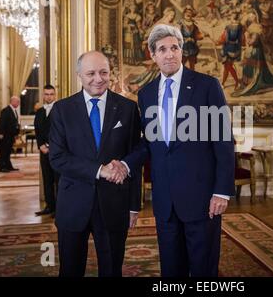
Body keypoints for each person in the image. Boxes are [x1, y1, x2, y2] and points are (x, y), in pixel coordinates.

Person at [125, 24, 235, 277]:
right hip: (165, 201)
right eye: (162, 49)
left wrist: (221, 192)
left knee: (202, 269)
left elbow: (223, 140)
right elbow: (149, 142)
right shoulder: (146, 94)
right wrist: (126, 163)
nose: (169, 54)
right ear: (153, 55)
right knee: (171, 269)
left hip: (202, 197)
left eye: (174, 47)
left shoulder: (207, 85)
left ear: (182, 51)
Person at [48, 51, 142, 277]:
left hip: (114, 204)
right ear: (79, 75)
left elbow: (137, 152)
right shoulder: (62, 109)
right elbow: (58, 158)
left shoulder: (128, 108)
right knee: (70, 270)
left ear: (111, 74)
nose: (98, 79)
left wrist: (133, 205)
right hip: (73, 204)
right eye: (91, 73)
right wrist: (100, 171)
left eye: (104, 72)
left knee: (111, 270)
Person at [34, 85, 59, 217]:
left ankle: (59, 209)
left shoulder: (60, 110)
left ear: (55, 95)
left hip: (57, 151)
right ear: (43, 96)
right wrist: (41, 145)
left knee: (58, 180)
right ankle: (49, 206)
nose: (49, 96)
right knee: (47, 179)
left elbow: (62, 131)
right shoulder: (39, 112)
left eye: (51, 94)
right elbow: (37, 131)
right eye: (46, 94)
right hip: (43, 151)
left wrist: (52, 146)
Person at [0, 96, 20, 172]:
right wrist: (0, 133)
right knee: (3, 151)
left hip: (10, 135)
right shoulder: (5, 110)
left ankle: (8, 166)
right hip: (5, 135)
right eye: (17, 102)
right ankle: (2, 167)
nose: (18, 103)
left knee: (8, 151)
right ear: (12, 101)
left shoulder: (13, 110)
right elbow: (2, 123)